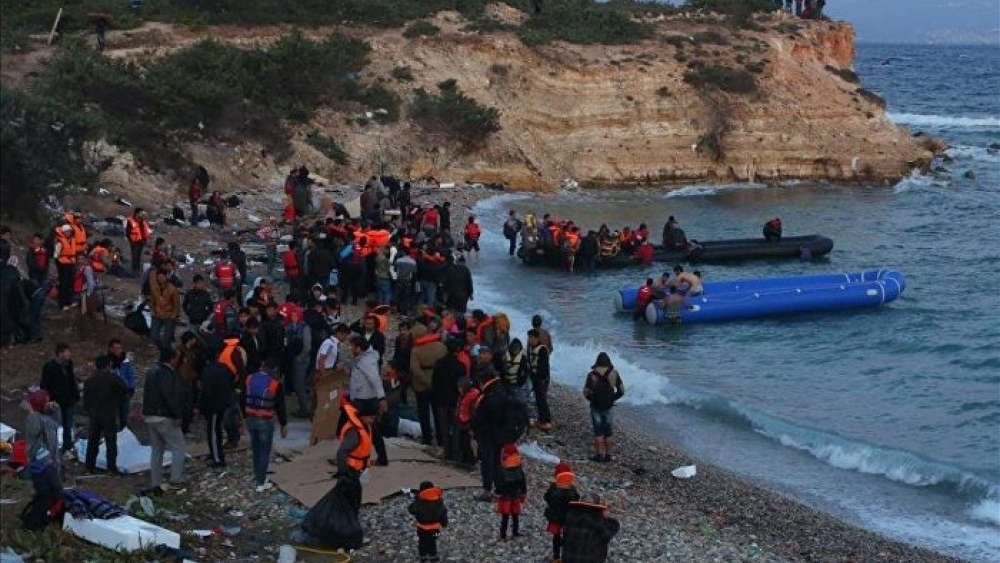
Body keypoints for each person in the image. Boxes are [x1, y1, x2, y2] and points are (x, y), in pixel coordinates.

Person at [142, 347, 188, 494]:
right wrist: (177, 414)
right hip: (164, 416)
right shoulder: (167, 374)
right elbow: (170, 395)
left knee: (157, 450)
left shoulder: (152, 371)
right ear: (171, 359)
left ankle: (156, 482)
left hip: (150, 415)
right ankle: (175, 480)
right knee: (178, 448)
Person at [244, 357, 289, 491]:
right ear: (275, 369)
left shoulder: (250, 378)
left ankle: (258, 477)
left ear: (263, 365)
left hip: (250, 418)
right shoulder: (275, 383)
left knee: (256, 450)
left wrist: (242, 419)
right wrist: (283, 424)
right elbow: (280, 406)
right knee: (264, 451)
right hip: (265, 420)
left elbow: (242, 399)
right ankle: (261, 482)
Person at [347, 335, 388, 466]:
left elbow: (375, 380)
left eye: (352, 346)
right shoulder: (363, 359)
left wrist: (382, 398)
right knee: (371, 430)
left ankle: (355, 456)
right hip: (363, 398)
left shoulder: (366, 362)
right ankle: (380, 457)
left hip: (364, 400)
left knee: (361, 429)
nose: (350, 348)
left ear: (359, 348)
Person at [83, 355, 126, 474]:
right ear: (108, 365)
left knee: (92, 442)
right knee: (111, 443)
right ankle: (111, 468)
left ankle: (89, 467)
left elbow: (86, 401)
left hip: (94, 414)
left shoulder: (90, 380)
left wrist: (89, 410)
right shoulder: (113, 378)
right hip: (109, 413)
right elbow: (124, 389)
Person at [583, 352, 625, 463]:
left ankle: (599, 455)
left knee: (598, 432)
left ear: (597, 362)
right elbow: (622, 390)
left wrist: (591, 399)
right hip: (609, 407)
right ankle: (608, 455)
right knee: (608, 432)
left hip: (596, 407)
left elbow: (586, 392)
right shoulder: (614, 373)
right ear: (608, 361)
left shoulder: (592, 375)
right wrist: (613, 398)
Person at [471, 369, 505, 501]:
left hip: (487, 433)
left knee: (487, 461)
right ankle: (500, 490)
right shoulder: (502, 390)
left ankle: (487, 490)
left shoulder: (488, 396)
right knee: (497, 461)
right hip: (500, 433)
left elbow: (479, 417)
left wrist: (473, 427)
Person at [40, 343, 77, 458]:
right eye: (67, 352)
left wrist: (75, 396)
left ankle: (67, 447)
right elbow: (44, 385)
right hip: (55, 401)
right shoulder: (50, 367)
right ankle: (51, 448)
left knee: (68, 424)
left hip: (68, 399)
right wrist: (47, 400)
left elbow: (71, 381)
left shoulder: (68, 364)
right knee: (53, 425)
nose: (69, 354)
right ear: (60, 353)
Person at [560, 492, 621, 563]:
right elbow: (609, 534)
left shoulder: (569, 515)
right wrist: (604, 516)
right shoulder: (598, 519)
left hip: (568, 558)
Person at [200, 358, 236, 468]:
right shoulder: (224, 367)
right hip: (223, 402)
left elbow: (206, 391)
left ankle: (217, 458)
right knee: (217, 430)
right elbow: (232, 379)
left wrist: (201, 405)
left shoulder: (207, 371)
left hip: (213, 405)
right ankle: (216, 455)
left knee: (213, 432)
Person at [544, 461, 580, 563]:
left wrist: (551, 487)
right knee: (567, 536)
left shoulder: (554, 489)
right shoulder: (572, 489)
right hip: (568, 518)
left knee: (556, 536)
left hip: (555, 517)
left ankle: (556, 557)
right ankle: (565, 556)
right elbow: (577, 500)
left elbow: (547, 498)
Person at [22, 389, 62, 477]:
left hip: (43, 463)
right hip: (51, 461)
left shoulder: (34, 419)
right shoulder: (49, 419)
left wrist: (31, 412)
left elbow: (32, 443)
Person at [408, 480, 449, 563]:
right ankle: (433, 557)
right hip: (435, 529)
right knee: (433, 542)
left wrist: (416, 498)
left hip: (421, 528)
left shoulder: (419, 501)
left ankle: (423, 557)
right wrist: (444, 524)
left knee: (422, 542)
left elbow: (411, 510)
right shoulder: (439, 502)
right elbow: (443, 514)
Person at [101, 339, 136, 431]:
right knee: (113, 417)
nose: (119, 350)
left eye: (120, 348)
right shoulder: (106, 362)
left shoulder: (125, 361)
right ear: (110, 349)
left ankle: (125, 433)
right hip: (112, 394)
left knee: (124, 415)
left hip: (125, 392)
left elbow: (131, 375)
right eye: (116, 348)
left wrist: (132, 387)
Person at [496, 443, 527, 540]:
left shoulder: (502, 468)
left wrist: (498, 492)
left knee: (505, 516)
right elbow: (523, 480)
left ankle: (503, 534)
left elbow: (499, 483)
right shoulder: (518, 467)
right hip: (516, 494)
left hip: (505, 496)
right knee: (515, 514)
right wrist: (524, 491)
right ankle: (515, 532)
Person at [526, 328, 553, 431]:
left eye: (531, 338)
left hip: (541, 379)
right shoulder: (531, 348)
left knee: (542, 400)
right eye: (529, 338)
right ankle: (541, 419)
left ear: (537, 338)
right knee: (538, 399)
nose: (529, 340)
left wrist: (539, 378)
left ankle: (546, 421)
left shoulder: (542, 349)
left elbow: (543, 366)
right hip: (535, 378)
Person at [149, 268, 181, 352]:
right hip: (157, 314)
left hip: (169, 315)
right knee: (154, 336)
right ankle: (162, 349)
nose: (161, 279)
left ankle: (167, 352)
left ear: (166, 277)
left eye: (162, 277)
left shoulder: (172, 289)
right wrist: (152, 310)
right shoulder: (155, 288)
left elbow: (177, 304)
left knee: (166, 339)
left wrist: (174, 315)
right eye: (159, 277)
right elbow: (152, 300)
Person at [125, 208, 151, 276]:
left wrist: (145, 240)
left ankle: (137, 269)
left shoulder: (142, 221)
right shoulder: (130, 221)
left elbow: (144, 231)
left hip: (141, 241)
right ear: (137, 213)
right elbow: (128, 232)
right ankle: (134, 270)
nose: (142, 214)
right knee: (134, 256)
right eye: (141, 213)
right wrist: (131, 240)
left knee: (139, 256)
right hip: (134, 242)